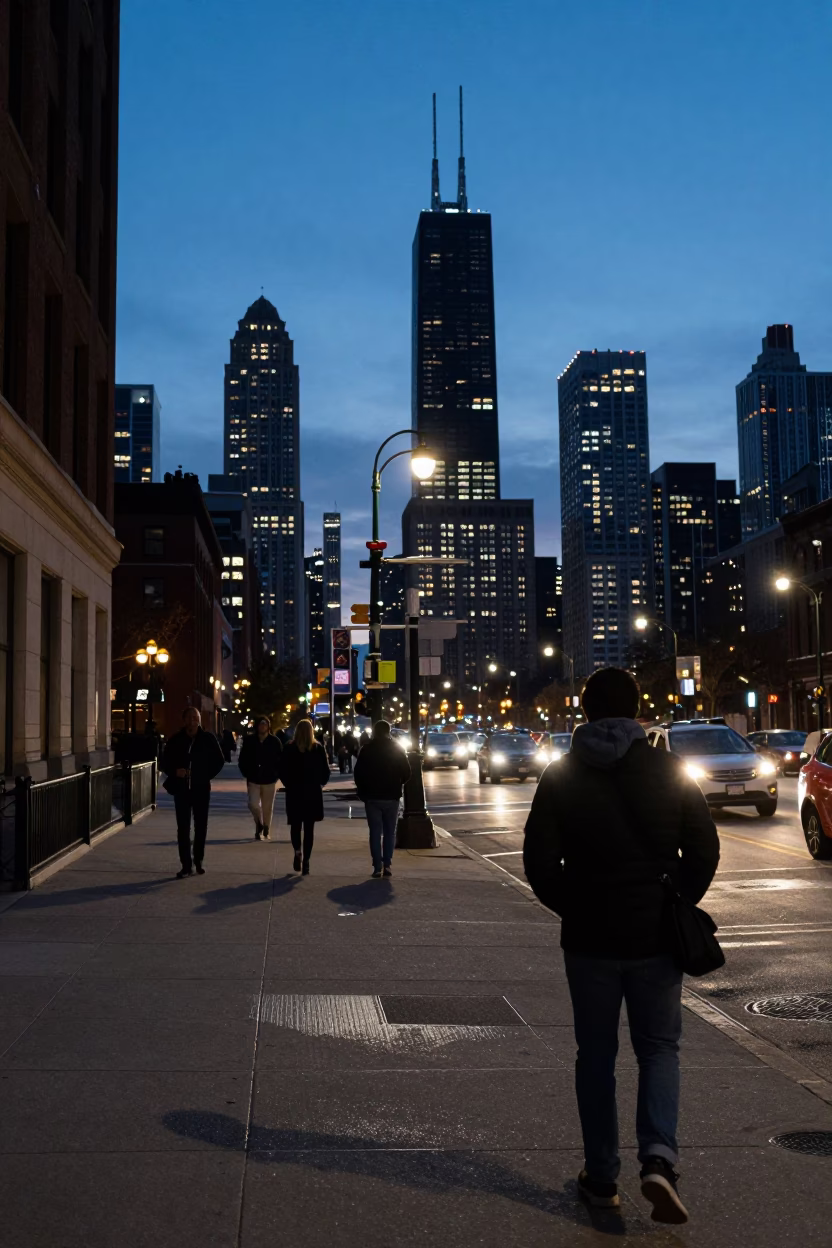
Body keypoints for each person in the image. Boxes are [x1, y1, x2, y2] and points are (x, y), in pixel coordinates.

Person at [523, 667, 719, 1226]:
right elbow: (703, 848)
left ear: (584, 711)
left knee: (597, 1055)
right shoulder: (669, 768)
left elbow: (538, 861)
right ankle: (659, 1158)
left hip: (589, 938)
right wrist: (675, 901)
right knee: (659, 1047)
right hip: (655, 936)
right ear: (636, 711)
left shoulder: (561, 775)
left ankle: (602, 1176)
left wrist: (573, 905)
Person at [160, 707, 226, 878]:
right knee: (183, 828)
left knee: (201, 826)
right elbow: (164, 762)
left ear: (199, 719)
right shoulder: (176, 740)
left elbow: (219, 761)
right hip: (181, 790)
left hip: (201, 788)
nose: (193, 720)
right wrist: (175, 772)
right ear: (184, 720)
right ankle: (186, 865)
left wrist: (202, 775)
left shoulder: (208, 739)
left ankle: (198, 861)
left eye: (195, 717)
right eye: (189, 717)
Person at [353, 720, 411, 877]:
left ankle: (377, 866)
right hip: (391, 795)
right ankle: (388, 864)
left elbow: (358, 773)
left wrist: (363, 790)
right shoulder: (397, 748)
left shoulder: (367, 749)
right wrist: (398, 783)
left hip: (372, 797)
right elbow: (407, 772)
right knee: (389, 832)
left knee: (375, 832)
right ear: (389, 731)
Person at [280, 718, 330, 874]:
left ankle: (297, 851)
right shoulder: (318, 748)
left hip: (295, 792)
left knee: (295, 825)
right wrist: (320, 783)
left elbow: (282, 769)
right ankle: (307, 860)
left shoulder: (289, 748)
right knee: (309, 828)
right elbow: (325, 771)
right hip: (312, 793)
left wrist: (289, 784)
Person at [238, 716, 283, 841]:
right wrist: (246, 772)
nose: (263, 726)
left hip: (269, 779)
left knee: (267, 807)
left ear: (268, 726)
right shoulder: (249, 741)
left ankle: (266, 828)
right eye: (261, 724)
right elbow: (243, 759)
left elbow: (281, 760)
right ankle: (259, 823)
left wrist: (276, 775)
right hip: (253, 779)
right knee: (253, 804)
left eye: (265, 724)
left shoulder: (275, 741)